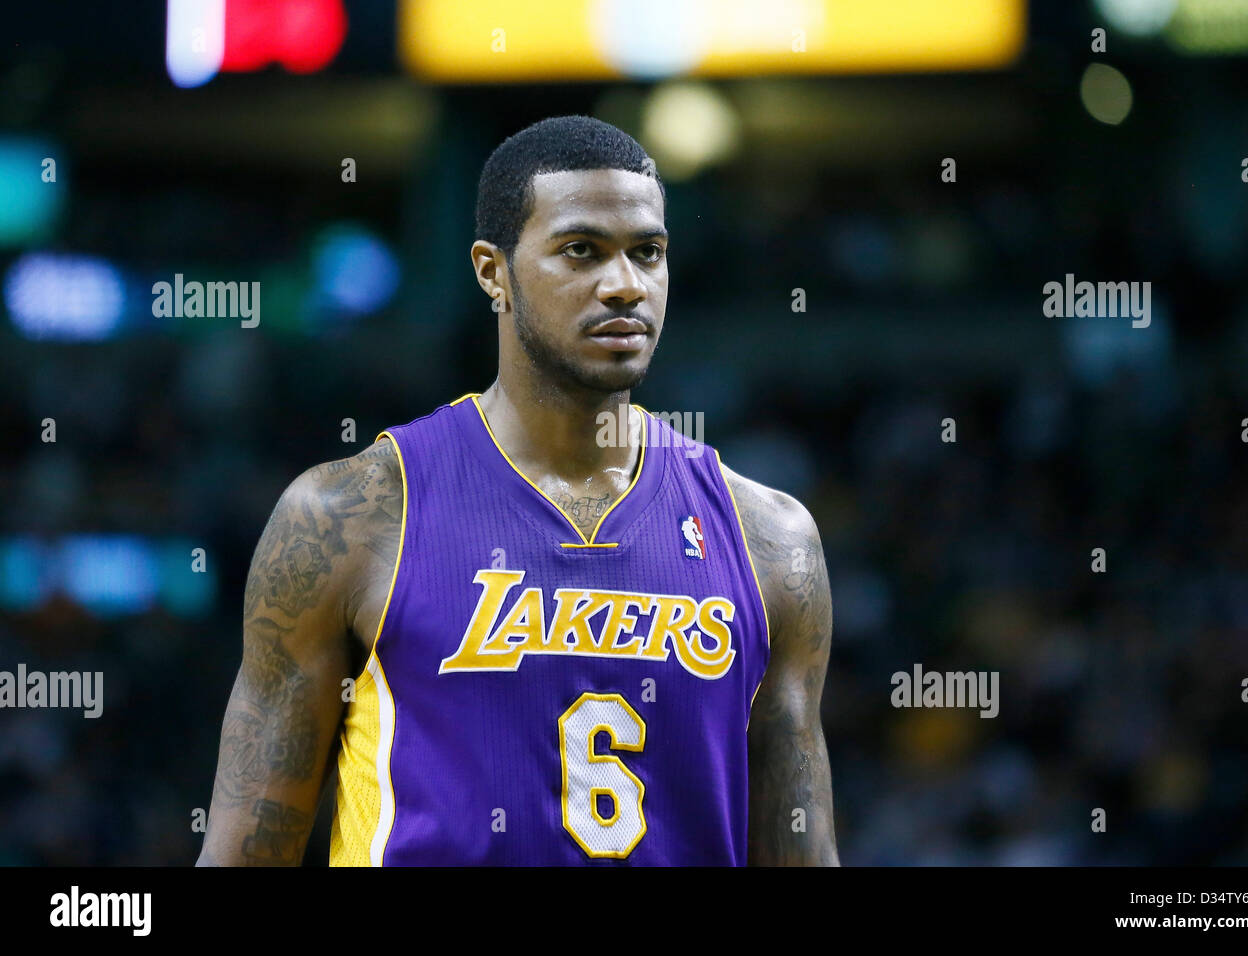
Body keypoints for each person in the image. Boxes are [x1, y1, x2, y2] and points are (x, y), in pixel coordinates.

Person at [197, 115, 837, 865]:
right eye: (581, 251)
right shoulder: (351, 515)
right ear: (491, 271)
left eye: (648, 253)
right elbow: (245, 853)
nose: (625, 284)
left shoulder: (770, 538)